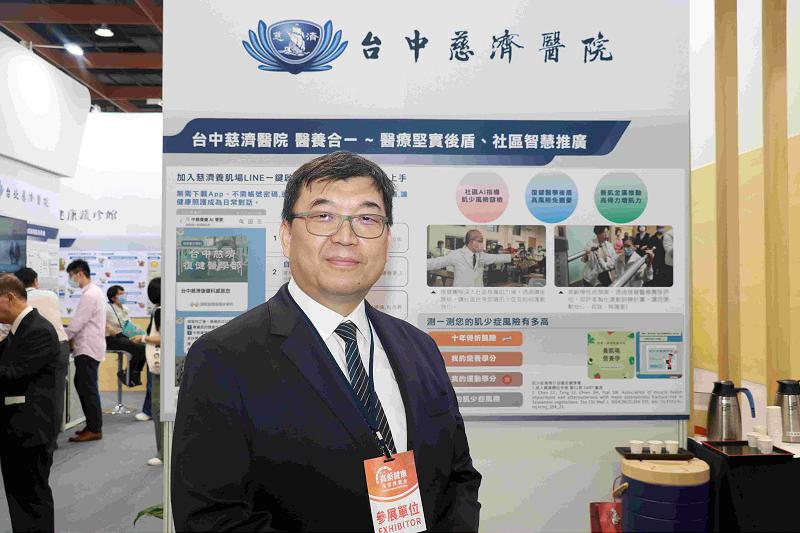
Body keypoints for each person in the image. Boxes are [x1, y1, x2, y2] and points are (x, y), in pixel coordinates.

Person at [172, 151, 481, 531]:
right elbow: (212, 518)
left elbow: (458, 477)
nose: (346, 237)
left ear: (387, 239)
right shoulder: (223, 357)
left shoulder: (419, 348)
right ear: (287, 236)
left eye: (367, 219)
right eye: (323, 216)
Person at [0, 274, 61, 532]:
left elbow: (13, 373)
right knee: (20, 498)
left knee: (32, 500)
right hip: (17, 429)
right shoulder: (20, 329)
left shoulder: (38, 330)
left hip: (30, 430)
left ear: (9, 298)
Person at [13, 268, 69, 441]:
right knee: (57, 391)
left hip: (32, 348)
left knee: (34, 390)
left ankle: (36, 432)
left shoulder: (19, 300)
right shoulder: (51, 295)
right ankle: (53, 435)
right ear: (36, 280)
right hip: (60, 346)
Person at [65, 259, 106, 443]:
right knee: (84, 385)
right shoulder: (94, 292)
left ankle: (95, 428)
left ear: (80, 274)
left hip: (88, 348)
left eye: (71, 276)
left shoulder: (90, 295)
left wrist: (63, 336)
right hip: (89, 346)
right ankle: (92, 425)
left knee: (87, 387)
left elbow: (78, 323)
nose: (71, 280)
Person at [132, 278, 161, 465]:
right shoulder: (162, 310)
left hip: (158, 364)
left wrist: (142, 338)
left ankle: (162, 453)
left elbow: (161, 338)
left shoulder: (159, 311)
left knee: (159, 406)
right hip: (158, 363)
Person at [426, 229, 513, 287]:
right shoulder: (457, 254)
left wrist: (512, 256)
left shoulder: (481, 255)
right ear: (471, 242)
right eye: (480, 241)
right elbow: (437, 262)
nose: (482, 244)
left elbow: (496, 258)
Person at [105, 285, 146, 387]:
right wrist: (108, 327)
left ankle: (132, 374)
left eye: (124, 293)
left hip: (123, 335)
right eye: (120, 294)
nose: (124, 296)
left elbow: (128, 324)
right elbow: (97, 321)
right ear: (113, 298)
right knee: (138, 348)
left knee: (144, 346)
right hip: (110, 338)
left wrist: (137, 332)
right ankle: (129, 376)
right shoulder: (106, 308)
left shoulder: (125, 308)